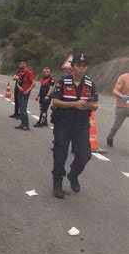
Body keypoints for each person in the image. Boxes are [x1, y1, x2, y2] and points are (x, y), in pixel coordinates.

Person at [50, 53, 98, 199]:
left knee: (84, 155)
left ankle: (73, 174)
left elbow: (95, 106)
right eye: (78, 66)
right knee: (60, 155)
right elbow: (55, 102)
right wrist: (73, 104)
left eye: (84, 66)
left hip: (82, 125)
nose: (81, 69)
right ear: (73, 67)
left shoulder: (90, 83)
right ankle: (57, 184)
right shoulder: (63, 82)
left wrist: (90, 105)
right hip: (63, 124)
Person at [106, 72, 129, 147]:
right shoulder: (123, 77)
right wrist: (122, 96)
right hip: (122, 106)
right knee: (116, 126)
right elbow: (115, 91)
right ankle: (110, 138)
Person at [14, 59, 35, 131]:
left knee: (23, 109)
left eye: (21, 64)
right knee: (21, 109)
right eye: (19, 64)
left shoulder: (29, 73)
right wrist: (15, 79)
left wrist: (27, 90)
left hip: (25, 93)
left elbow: (33, 83)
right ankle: (22, 124)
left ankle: (26, 125)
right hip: (20, 92)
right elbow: (17, 80)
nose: (20, 65)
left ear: (25, 64)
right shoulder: (21, 73)